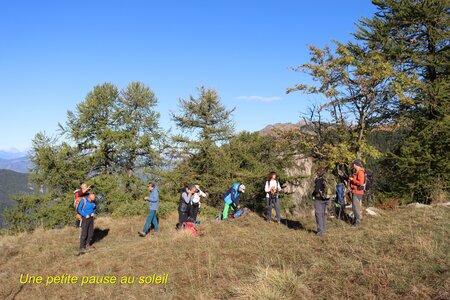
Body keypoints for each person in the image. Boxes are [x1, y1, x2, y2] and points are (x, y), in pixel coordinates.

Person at [312, 168, 329, 236]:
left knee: (318, 214)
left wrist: (313, 194)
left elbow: (316, 190)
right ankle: (324, 230)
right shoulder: (326, 179)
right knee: (323, 215)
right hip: (326, 198)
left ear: (319, 173)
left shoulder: (319, 180)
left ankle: (320, 232)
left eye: (317, 172)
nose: (316, 173)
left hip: (319, 199)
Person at [349, 159, 365, 226]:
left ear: (355, 165)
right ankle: (355, 221)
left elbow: (360, 183)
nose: (353, 165)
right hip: (355, 191)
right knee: (354, 207)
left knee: (355, 208)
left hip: (357, 192)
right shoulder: (357, 171)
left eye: (354, 164)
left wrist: (353, 180)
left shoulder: (360, 172)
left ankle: (357, 223)